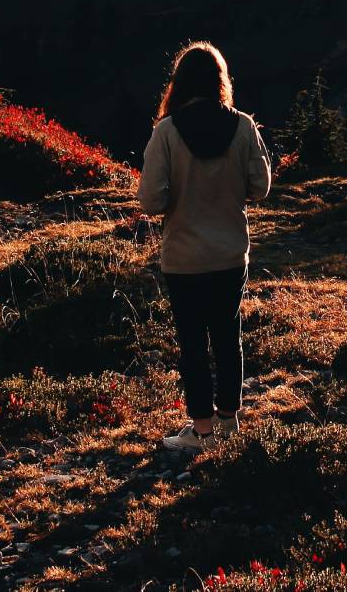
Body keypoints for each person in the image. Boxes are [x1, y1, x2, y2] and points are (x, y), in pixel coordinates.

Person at [139, 40, 272, 455]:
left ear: (178, 83)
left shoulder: (166, 132)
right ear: (220, 81)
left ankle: (202, 431)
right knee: (228, 337)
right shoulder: (244, 126)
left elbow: (150, 201)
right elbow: (261, 187)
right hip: (231, 253)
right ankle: (230, 420)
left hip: (184, 258)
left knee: (193, 344)